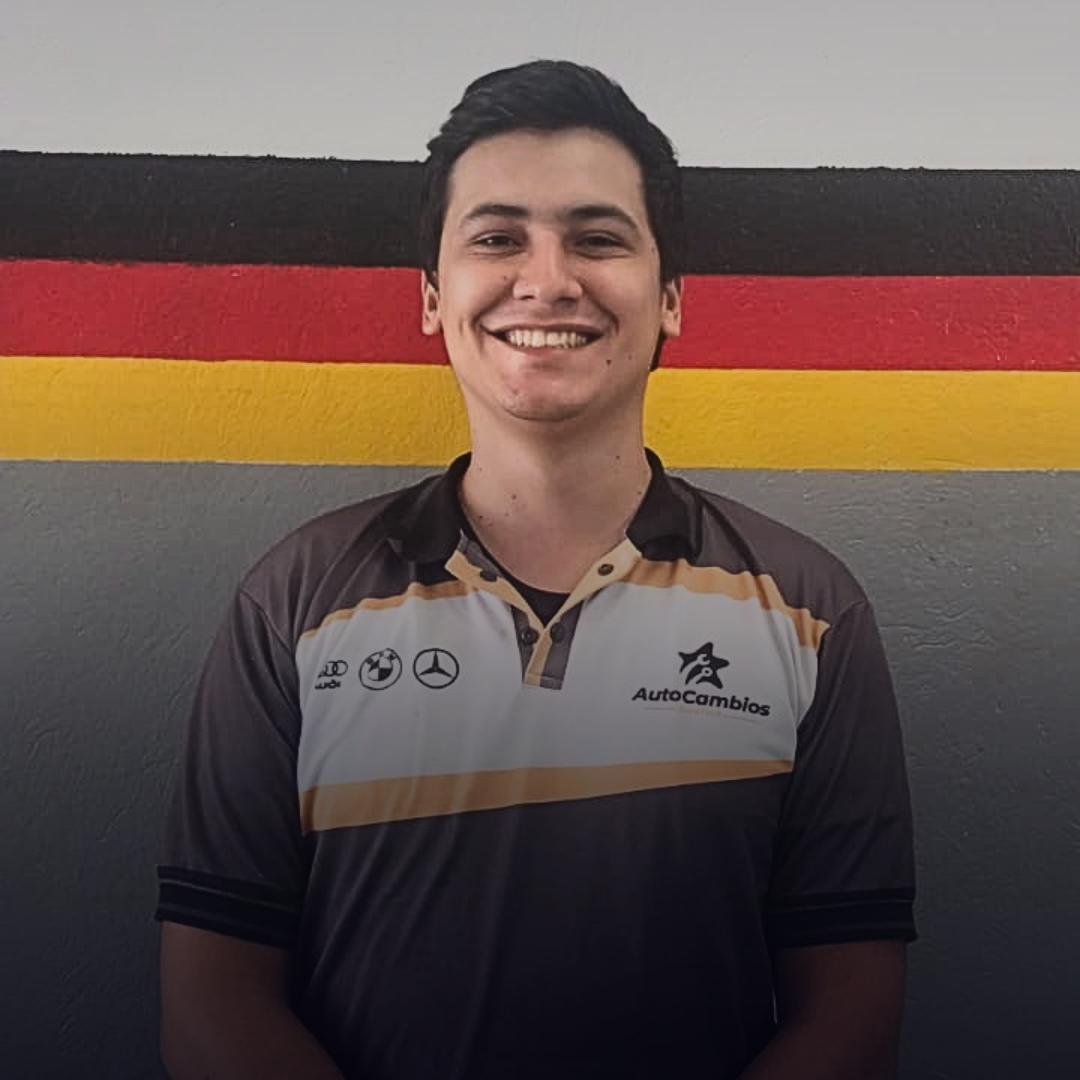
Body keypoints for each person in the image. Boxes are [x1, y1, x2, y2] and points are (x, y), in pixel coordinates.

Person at [156, 60, 916, 1080]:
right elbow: (212, 996)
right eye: (497, 238)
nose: (547, 280)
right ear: (433, 298)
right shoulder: (292, 603)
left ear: (672, 300)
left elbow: (851, 1014)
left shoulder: (810, 611)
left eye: (598, 239)